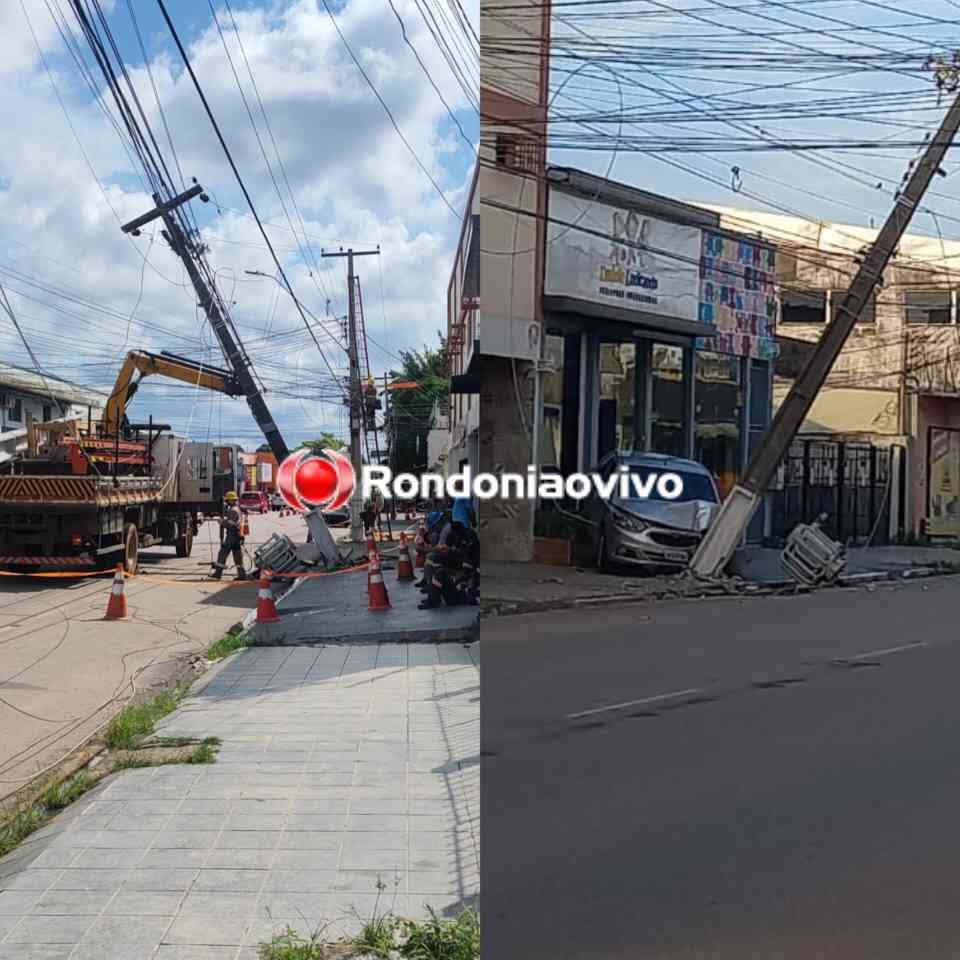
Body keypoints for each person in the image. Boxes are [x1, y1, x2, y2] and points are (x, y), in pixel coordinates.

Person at [418, 505, 480, 609]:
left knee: (441, 573)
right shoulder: (457, 536)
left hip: (458, 596)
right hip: (458, 592)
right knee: (440, 572)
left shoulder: (469, 538)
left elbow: (471, 580)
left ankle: (433, 600)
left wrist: (463, 583)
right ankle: (433, 597)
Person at [210, 491, 247, 581]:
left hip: (232, 536)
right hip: (237, 535)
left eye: (227, 500)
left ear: (231, 500)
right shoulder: (237, 509)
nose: (226, 502)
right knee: (237, 556)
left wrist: (222, 522)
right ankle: (241, 575)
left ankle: (218, 573)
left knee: (222, 553)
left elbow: (231, 524)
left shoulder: (233, 510)